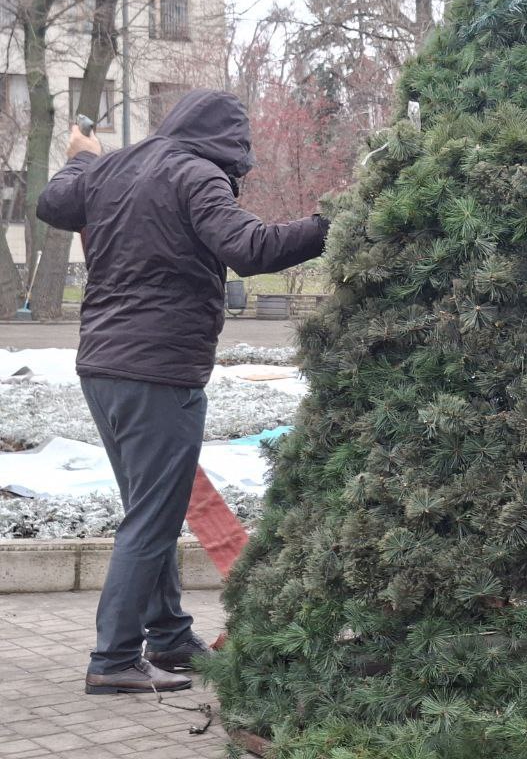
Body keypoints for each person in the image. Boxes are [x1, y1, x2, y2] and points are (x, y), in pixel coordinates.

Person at [37, 90, 331, 696]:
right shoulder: (197, 174)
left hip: (102, 367)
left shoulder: (113, 167)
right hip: (159, 369)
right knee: (153, 515)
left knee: (152, 506)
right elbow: (250, 248)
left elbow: (53, 201)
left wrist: (81, 156)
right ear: (228, 146)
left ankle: (167, 637)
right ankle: (114, 658)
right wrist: (335, 224)